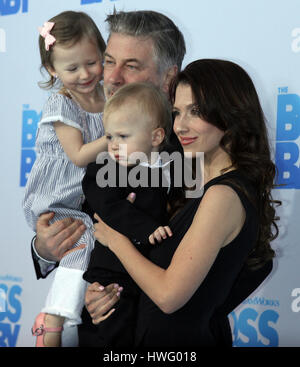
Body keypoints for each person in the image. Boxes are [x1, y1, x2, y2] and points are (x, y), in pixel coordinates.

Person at [92, 59, 281, 347]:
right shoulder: (189, 183)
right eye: (177, 112)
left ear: (230, 114)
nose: (180, 125)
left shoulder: (223, 196)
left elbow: (168, 296)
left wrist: (116, 240)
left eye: (196, 111)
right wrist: (106, 296)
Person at [23, 11, 107, 347]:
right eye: (72, 68)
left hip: (76, 196)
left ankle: (55, 321)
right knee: (85, 238)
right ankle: (54, 320)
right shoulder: (61, 103)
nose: (85, 74)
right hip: (54, 197)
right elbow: (78, 155)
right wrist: (117, 134)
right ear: (53, 70)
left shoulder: (110, 98)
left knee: (86, 239)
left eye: (92, 62)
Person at [80, 81, 183, 346]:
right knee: (114, 332)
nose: (113, 145)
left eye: (123, 136)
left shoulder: (171, 163)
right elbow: (109, 209)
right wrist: (146, 229)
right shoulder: (104, 169)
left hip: (150, 274)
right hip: (112, 273)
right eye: (110, 136)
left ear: (156, 137)